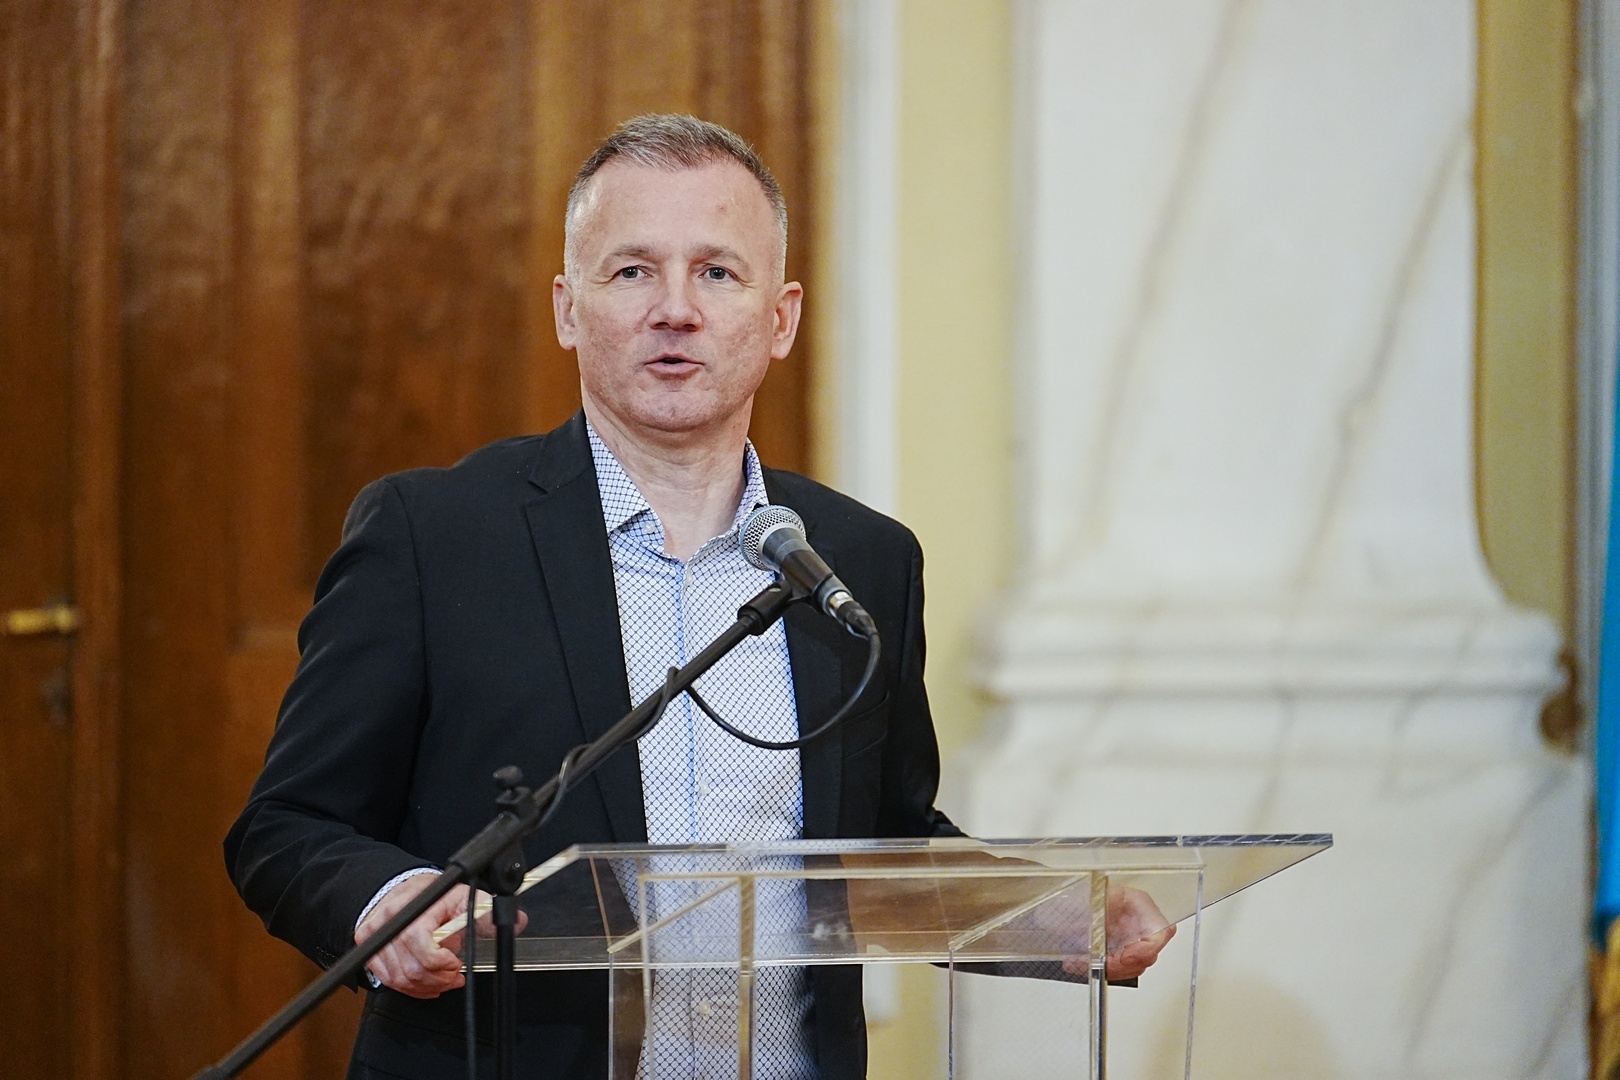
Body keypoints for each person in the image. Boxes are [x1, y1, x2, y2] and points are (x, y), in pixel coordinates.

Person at [225, 114, 1171, 1080]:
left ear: (781, 319)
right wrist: (388, 902)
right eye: (632, 271)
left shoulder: (860, 562)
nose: (675, 309)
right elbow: (287, 827)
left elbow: (885, 848)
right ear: (567, 309)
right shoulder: (433, 538)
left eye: (717, 272)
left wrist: (1051, 917)